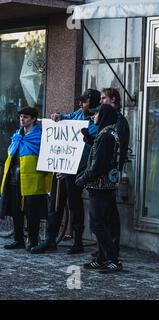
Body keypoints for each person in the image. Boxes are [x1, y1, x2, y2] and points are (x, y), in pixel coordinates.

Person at [31, 89, 100, 254]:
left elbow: (86, 149)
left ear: (93, 102)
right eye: (81, 101)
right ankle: (50, 239)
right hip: (61, 166)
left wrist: (70, 170)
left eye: (84, 101)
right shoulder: (78, 114)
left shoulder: (96, 122)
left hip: (77, 171)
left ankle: (78, 241)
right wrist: (58, 116)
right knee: (55, 203)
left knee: (75, 205)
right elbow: (67, 118)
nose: (81, 103)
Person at [76, 104, 122, 273]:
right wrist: (89, 139)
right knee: (103, 223)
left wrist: (83, 178)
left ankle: (113, 259)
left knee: (98, 224)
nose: (93, 117)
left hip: (100, 186)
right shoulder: (107, 133)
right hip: (104, 186)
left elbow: (100, 164)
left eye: (96, 114)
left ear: (103, 116)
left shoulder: (106, 135)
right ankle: (103, 258)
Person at [0, 107, 52, 250]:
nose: (22, 119)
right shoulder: (18, 135)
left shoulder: (40, 136)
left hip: (32, 180)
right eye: (21, 116)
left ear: (34, 119)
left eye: (26, 117)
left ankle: (33, 242)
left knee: (32, 213)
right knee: (16, 212)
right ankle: (18, 240)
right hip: (15, 179)